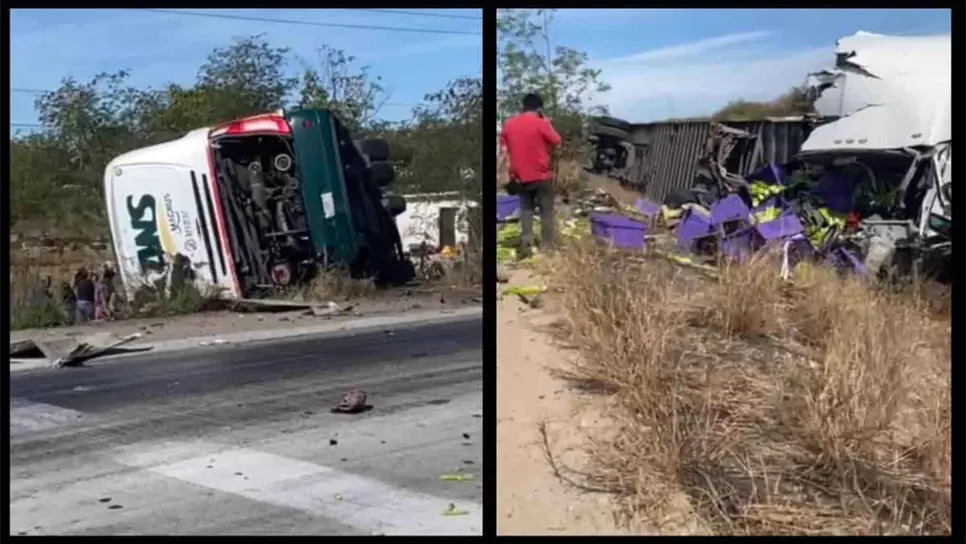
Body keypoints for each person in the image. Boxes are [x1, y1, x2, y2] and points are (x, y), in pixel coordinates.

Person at [499, 92, 562, 257]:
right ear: (539, 108)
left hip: (520, 177)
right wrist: (547, 122)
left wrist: (498, 173)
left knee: (526, 209)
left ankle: (526, 244)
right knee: (546, 211)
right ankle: (546, 246)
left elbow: (503, 152)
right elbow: (556, 140)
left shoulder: (508, 125)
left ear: (523, 106)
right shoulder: (541, 123)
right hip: (541, 176)